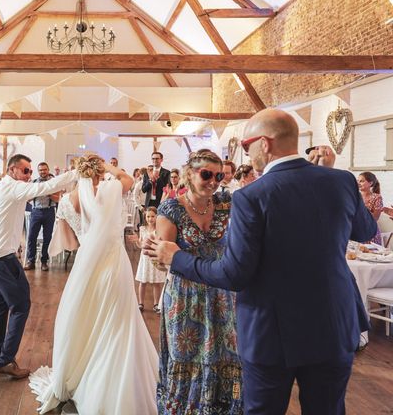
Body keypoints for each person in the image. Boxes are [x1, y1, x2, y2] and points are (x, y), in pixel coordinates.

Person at [145, 109, 377, 415]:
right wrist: (329, 174)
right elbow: (365, 231)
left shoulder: (251, 196)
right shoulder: (342, 180)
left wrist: (177, 258)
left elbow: (234, 274)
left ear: (264, 144)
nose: (246, 153)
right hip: (334, 325)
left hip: (272, 332)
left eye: (245, 146)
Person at [29, 155, 158, 414]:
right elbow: (128, 178)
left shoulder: (68, 201)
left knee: (85, 316)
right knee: (117, 317)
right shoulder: (111, 188)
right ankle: (112, 375)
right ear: (100, 170)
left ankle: (85, 368)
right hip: (113, 263)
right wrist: (107, 166)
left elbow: (68, 243)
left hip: (86, 266)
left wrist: (89, 240)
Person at [154, 149, 241, 414]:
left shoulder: (227, 204)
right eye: (207, 175)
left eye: (218, 175)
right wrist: (156, 254)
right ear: (190, 174)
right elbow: (162, 260)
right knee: (186, 356)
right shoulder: (171, 208)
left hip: (222, 294)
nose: (214, 182)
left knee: (226, 354)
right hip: (184, 297)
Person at [0, 154, 77, 379]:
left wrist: (15, 242)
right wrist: (75, 173)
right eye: (25, 171)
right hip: (1, 258)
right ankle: (5, 361)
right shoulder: (13, 188)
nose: (29, 175)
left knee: (1, 305)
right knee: (21, 305)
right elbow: (47, 187)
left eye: (30, 172)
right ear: (12, 170)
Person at [25, 162, 60, 271]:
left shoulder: (54, 183)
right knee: (31, 237)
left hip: (49, 211)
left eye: (44, 169)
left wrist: (48, 193)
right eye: (40, 170)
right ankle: (31, 261)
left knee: (47, 238)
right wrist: (36, 192)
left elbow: (57, 199)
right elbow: (28, 199)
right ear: (38, 171)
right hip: (36, 211)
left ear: (48, 170)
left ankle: (44, 261)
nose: (43, 172)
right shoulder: (34, 183)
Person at [134, 206, 165, 313]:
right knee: (143, 281)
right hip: (145, 259)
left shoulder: (159, 230)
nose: (150, 219)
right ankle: (140, 303)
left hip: (154, 257)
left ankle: (156, 304)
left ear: (157, 217)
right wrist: (137, 242)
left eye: (152, 216)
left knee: (156, 283)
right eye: (148, 216)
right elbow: (140, 244)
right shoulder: (142, 229)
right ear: (145, 217)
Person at [358, 171, 383, 245]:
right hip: (357, 231)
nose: (358, 183)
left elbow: (375, 218)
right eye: (358, 181)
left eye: (362, 181)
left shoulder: (377, 197)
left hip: (370, 232)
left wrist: (361, 209)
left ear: (370, 183)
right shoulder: (355, 196)